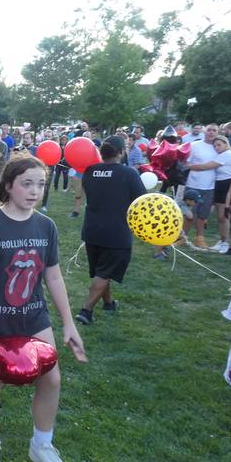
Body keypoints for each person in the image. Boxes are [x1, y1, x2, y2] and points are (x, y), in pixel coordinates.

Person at [0, 155, 87, 462]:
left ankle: (42, 446)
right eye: (27, 183)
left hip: (34, 317)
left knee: (52, 379)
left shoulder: (46, 226)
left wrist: (69, 323)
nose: (35, 191)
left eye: (41, 184)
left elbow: (54, 277)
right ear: (8, 186)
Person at [74, 136, 146, 325]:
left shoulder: (90, 171)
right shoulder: (129, 174)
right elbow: (143, 202)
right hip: (116, 233)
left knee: (103, 271)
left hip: (92, 230)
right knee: (104, 273)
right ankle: (86, 310)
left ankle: (109, 303)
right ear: (122, 152)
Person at [186, 133, 231, 253]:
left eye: (219, 145)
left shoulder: (227, 154)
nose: (217, 147)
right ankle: (223, 241)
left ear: (226, 144)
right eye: (215, 146)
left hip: (226, 186)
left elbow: (206, 166)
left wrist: (188, 166)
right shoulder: (223, 154)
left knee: (223, 217)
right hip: (219, 185)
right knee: (220, 217)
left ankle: (225, 243)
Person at [185, 124, 220, 248]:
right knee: (189, 213)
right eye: (209, 130)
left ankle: (200, 239)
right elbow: (186, 163)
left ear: (218, 133)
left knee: (203, 214)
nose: (211, 132)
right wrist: (197, 168)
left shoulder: (219, 148)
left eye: (214, 131)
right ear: (204, 132)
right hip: (193, 184)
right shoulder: (194, 145)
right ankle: (182, 237)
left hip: (210, 186)